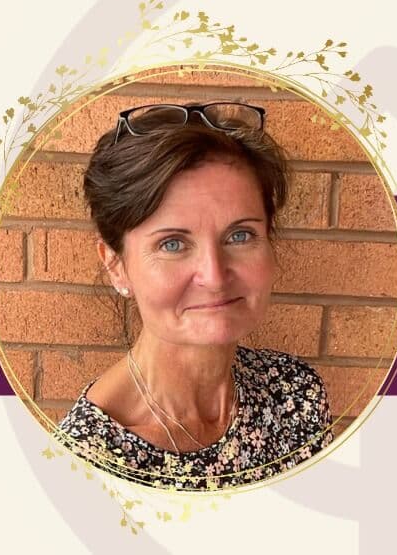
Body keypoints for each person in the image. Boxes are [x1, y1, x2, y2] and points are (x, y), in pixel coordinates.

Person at [58, 101, 333, 490]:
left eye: (240, 235)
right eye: (172, 244)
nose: (215, 277)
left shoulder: (295, 394)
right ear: (116, 265)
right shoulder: (85, 466)